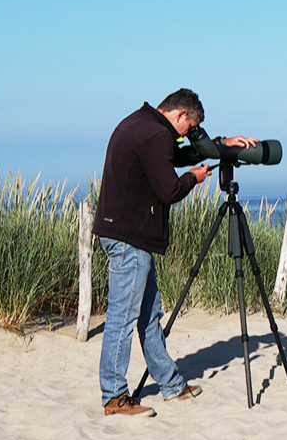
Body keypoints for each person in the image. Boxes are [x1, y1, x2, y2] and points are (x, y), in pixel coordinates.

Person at [91, 88, 258, 417]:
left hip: (124, 232)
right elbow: (168, 190)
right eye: (188, 127)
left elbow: (174, 155)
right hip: (130, 238)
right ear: (180, 116)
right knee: (123, 319)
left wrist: (221, 145)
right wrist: (194, 180)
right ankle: (114, 397)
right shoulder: (155, 134)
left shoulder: (141, 123)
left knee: (149, 315)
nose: (187, 135)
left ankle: (170, 384)